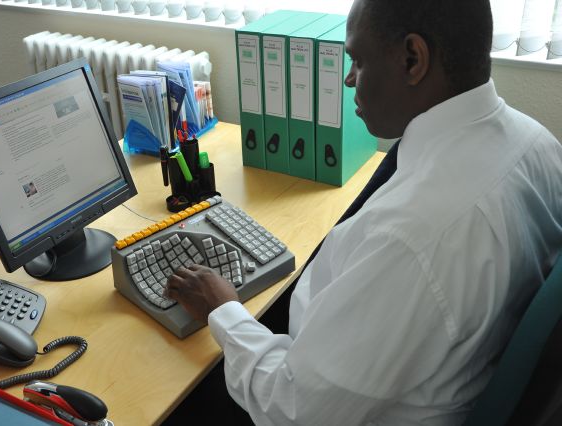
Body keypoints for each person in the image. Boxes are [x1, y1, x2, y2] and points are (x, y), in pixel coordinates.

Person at [164, 0, 562, 424]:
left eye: (357, 60)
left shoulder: (413, 236)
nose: (349, 79)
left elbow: (292, 408)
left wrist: (223, 311)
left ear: (413, 59)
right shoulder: (538, 144)